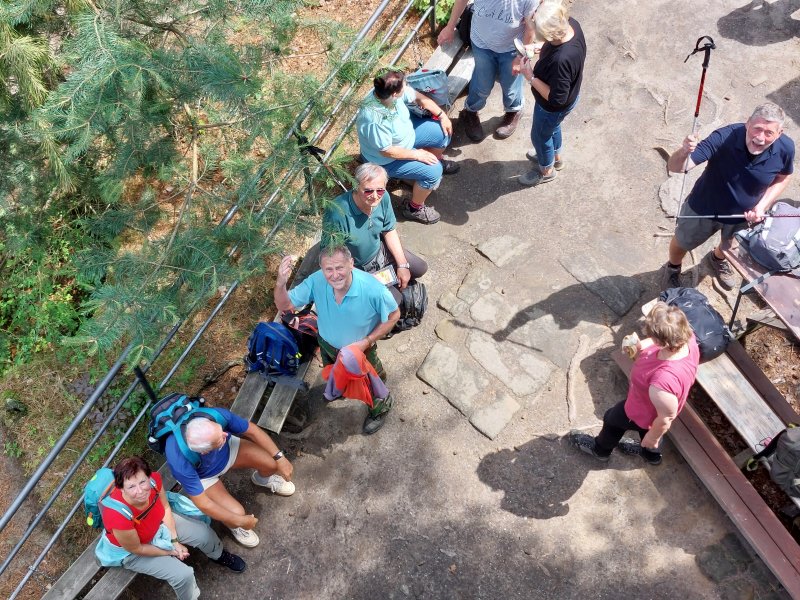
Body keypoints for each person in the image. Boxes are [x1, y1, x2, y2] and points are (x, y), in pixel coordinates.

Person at [661, 102, 795, 290]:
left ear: (779, 133)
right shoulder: (724, 137)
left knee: (729, 246)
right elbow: (677, 167)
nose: (760, 138)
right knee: (682, 241)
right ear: (747, 123)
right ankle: (673, 267)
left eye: (769, 133)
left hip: (742, 216)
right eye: (757, 129)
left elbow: (783, 177)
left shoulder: (786, 148)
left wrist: (761, 206)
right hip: (703, 207)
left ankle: (716, 259)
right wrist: (684, 151)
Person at [274, 245, 401, 434]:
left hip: (359, 352)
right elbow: (285, 305)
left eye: (339, 267)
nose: (335, 275)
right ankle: (344, 385)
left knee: (369, 382)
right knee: (334, 371)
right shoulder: (317, 280)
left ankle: (381, 405)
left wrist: (366, 341)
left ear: (351, 264)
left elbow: (393, 316)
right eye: (329, 269)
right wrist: (281, 284)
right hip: (326, 344)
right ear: (322, 269)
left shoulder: (373, 289)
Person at [95, 456, 246, 600]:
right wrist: (170, 551)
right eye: (131, 487)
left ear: (148, 477)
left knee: (204, 534)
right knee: (183, 575)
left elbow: (166, 507)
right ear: (121, 489)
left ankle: (218, 555)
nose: (140, 491)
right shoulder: (117, 516)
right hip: (134, 550)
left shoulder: (154, 481)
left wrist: (174, 539)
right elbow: (137, 549)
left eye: (142, 482)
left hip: (157, 525)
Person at [569, 302, 700, 465]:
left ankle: (600, 450)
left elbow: (666, 418)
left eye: (652, 336)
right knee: (649, 429)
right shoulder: (688, 338)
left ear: (662, 342)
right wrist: (639, 347)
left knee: (612, 420)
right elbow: (657, 345)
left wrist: (653, 437)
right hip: (654, 409)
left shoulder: (661, 382)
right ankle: (652, 455)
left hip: (640, 410)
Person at [163, 407, 295, 549]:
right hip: (204, 476)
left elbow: (253, 431)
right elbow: (203, 503)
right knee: (236, 513)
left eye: (221, 430)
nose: (226, 433)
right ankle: (235, 527)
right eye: (220, 437)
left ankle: (263, 479)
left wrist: (280, 458)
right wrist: (239, 521)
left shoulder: (214, 416)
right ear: (205, 451)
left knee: (272, 463)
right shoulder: (178, 461)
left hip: (229, 449)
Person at [356, 70, 459, 225]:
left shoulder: (388, 93)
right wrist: (417, 155)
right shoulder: (374, 119)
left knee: (443, 132)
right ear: (395, 95)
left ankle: (424, 166)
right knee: (434, 172)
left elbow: (419, 98)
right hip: (386, 160)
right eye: (404, 85)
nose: (406, 85)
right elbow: (387, 151)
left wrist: (442, 115)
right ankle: (414, 208)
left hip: (407, 138)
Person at [320, 162, 428, 305]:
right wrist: (363, 280)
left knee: (421, 268)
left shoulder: (384, 198)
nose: (375, 196)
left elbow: (389, 230)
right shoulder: (337, 214)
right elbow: (331, 257)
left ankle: (392, 277)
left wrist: (402, 265)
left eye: (380, 190)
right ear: (356, 186)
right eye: (368, 191)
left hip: (380, 251)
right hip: (359, 268)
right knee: (395, 301)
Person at [439, 0, 539, 141]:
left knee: (510, 85)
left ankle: (514, 110)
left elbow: (530, 28)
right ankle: (471, 111)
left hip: (512, 49)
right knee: (481, 84)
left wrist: (520, 56)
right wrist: (450, 27)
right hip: (481, 44)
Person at [518, 0, 586, 186]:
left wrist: (530, 76)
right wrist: (542, 47)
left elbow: (557, 98)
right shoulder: (572, 26)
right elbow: (557, 45)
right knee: (552, 128)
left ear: (550, 34)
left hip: (551, 107)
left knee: (540, 136)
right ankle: (556, 157)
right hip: (571, 97)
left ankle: (546, 169)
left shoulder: (561, 60)